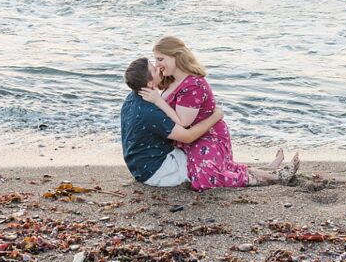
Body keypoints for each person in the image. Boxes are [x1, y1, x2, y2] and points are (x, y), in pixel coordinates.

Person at [146, 36, 298, 190]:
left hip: (207, 137)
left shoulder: (193, 85)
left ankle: (275, 177)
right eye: (156, 60)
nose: (157, 65)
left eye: (160, 59)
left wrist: (158, 101)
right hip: (190, 139)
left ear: (176, 56)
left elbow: (183, 122)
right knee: (214, 169)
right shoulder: (172, 80)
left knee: (205, 178)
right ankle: (268, 171)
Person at [121, 58, 227, 186]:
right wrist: (216, 116)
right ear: (149, 84)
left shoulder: (132, 97)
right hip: (157, 170)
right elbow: (188, 137)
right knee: (207, 169)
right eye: (154, 69)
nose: (158, 67)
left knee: (203, 154)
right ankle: (248, 176)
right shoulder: (149, 112)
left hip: (139, 165)